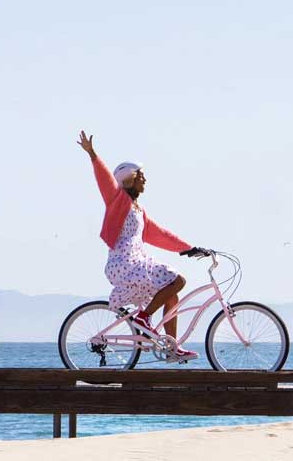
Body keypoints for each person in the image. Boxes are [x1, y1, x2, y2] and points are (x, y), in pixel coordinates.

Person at [77, 132, 214, 360]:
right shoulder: (117, 200)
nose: (145, 180)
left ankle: (172, 349)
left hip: (138, 263)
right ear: (129, 179)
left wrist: (189, 248)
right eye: (141, 176)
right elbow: (105, 181)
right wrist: (93, 155)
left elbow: (161, 235)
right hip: (124, 263)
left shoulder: (139, 211)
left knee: (171, 295)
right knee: (178, 280)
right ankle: (143, 318)